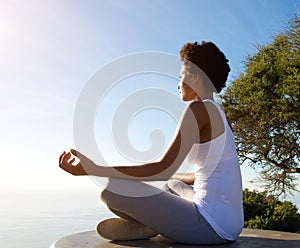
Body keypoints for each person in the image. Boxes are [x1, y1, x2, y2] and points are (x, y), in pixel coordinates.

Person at [59, 41, 244, 245]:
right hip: (231, 224)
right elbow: (203, 173)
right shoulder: (221, 115)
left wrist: (94, 169)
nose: (178, 84)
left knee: (112, 190)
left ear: (195, 76)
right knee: (172, 184)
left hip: (210, 226)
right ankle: (155, 224)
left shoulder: (198, 110)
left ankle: (154, 225)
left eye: (180, 76)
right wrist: (159, 180)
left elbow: (161, 169)